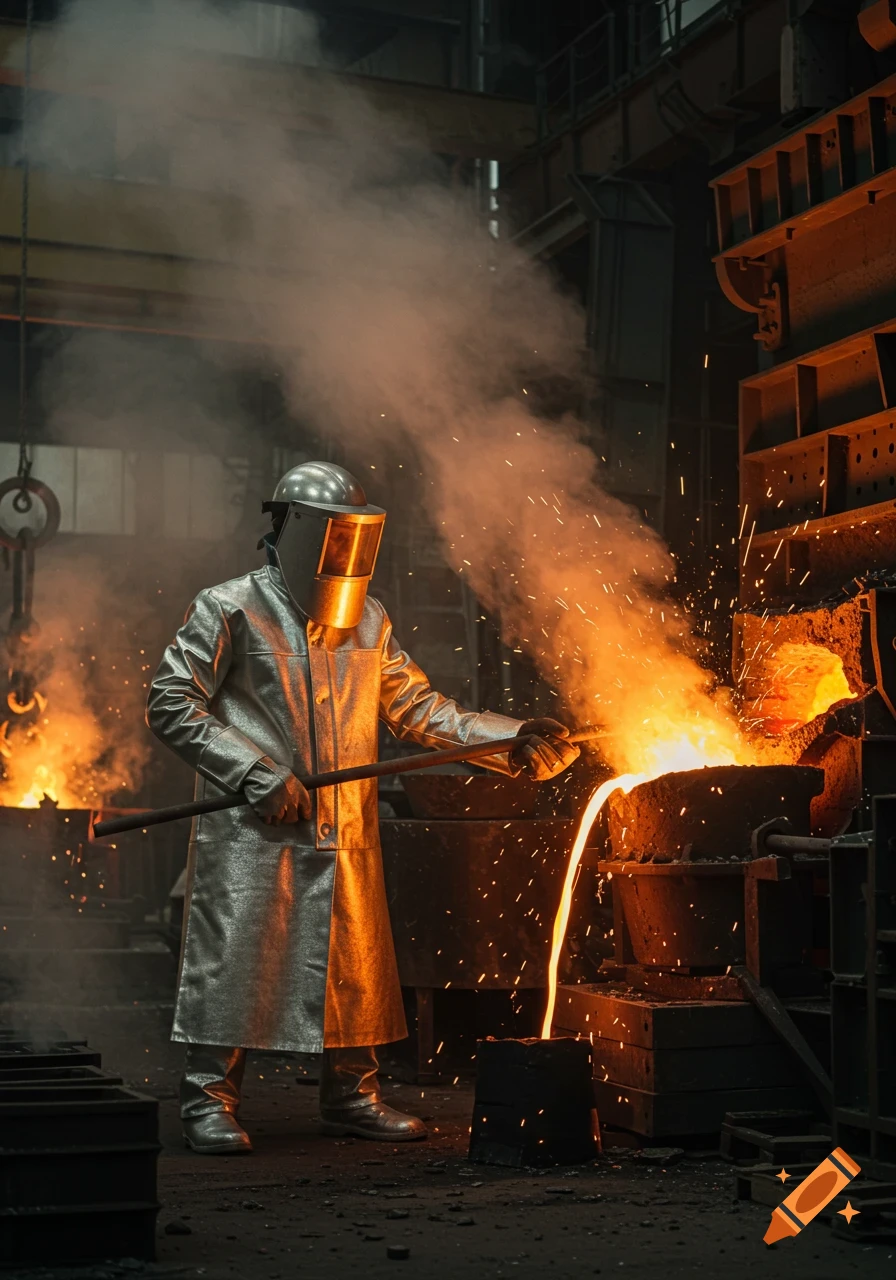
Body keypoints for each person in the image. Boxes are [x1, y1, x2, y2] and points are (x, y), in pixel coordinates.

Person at [147, 461, 579, 1155]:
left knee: (352, 960)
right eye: (333, 537)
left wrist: (512, 740)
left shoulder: (368, 620)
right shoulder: (229, 607)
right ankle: (207, 1100)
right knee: (236, 958)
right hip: (256, 828)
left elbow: (421, 710)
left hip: (344, 824)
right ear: (292, 529)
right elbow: (171, 700)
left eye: (355, 538)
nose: (344, 555)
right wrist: (253, 771)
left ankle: (351, 1096)